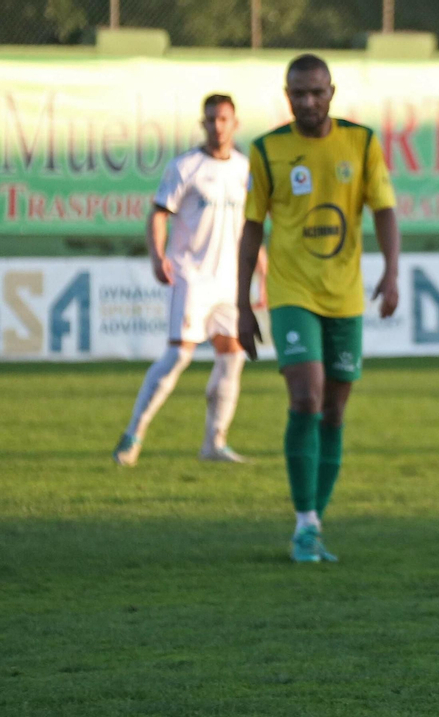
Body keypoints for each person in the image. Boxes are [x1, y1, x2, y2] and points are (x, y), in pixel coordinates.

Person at [236, 54, 400, 563]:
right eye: (297, 94)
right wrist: (243, 303)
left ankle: (315, 523)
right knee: (306, 397)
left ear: (332, 91)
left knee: (334, 408)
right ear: (287, 96)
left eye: (316, 92)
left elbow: (385, 209)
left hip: (345, 296)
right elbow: (251, 228)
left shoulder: (362, 142)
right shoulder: (267, 150)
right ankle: (304, 521)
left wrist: (392, 271)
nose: (307, 102)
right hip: (290, 292)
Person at [114, 94, 255, 467]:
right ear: (203, 123)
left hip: (229, 282)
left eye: (224, 119)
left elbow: (248, 226)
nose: (217, 125)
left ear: (235, 124)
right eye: (211, 119)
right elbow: (159, 214)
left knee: (233, 357)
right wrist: (157, 256)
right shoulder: (186, 167)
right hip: (192, 276)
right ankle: (134, 433)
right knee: (179, 355)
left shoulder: (244, 169)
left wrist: (262, 270)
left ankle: (214, 443)